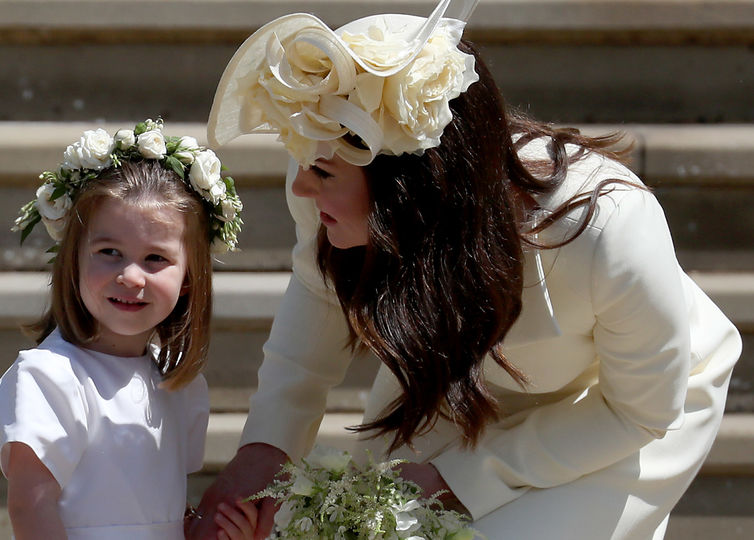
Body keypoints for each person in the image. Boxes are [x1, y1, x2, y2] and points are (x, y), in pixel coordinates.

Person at [193, 0, 742, 539]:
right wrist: (265, 450)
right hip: (459, 374)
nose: (300, 188)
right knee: (361, 527)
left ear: (410, 186)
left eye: (320, 172)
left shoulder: (609, 229)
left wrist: (461, 478)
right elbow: (317, 304)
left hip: (617, 409)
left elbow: (640, 412)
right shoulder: (328, 168)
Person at [0, 120, 253, 540]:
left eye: (155, 259)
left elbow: (153, 511)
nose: (131, 276)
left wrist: (204, 531)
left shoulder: (176, 382)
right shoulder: (50, 377)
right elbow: (29, 508)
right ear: (73, 259)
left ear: (189, 277)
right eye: (109, 252)